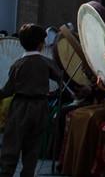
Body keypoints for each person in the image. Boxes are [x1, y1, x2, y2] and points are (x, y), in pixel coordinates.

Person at [0, 24, 62, 177]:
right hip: (40, 107)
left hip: (19, 108)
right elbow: (61, 79)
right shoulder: (46, 63)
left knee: (11, 146)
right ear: (41, 44)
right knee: (32, 149)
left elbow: (8, 90)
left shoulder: (17, 65)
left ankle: (6, 173)